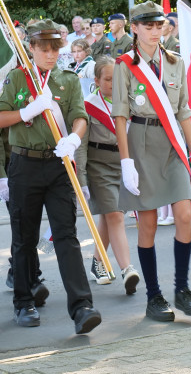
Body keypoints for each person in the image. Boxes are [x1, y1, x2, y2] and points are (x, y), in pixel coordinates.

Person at [0, 20, 101, 333]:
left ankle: (82, 307)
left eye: (55, 48)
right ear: (32, 48)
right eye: (44, 48)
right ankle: (23, 302)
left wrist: (74, 139)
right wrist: (26, 112)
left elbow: (80, 117)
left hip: (57, 164)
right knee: (24, 238)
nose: (51, 54)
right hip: (24, 166)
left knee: (67, 236)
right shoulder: (17, 79)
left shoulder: (67, 79)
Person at [113, 1, 191, 322]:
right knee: (148, 223)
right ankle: (154, 296)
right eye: (148, 26)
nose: (155, 32)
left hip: (171, 146)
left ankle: (182, 288)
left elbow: (184, 111)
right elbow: (120, 114)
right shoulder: (124, 65)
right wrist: (125, 161)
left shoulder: (175, 62)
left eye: (159, 26)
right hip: (139, 143)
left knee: (184, 216)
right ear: (135, 28)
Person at [84, 57, 141, 293]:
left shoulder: (128, 103)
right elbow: (81, 145)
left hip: (122, 164)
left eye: (116, 79)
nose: (112, 84)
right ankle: (127, 268)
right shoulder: (88, 105)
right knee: (116, 215)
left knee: (109, 216)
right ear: (96, 81)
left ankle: (98, 263)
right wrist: (80, 176)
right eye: (108, 79)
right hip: (98, 165)